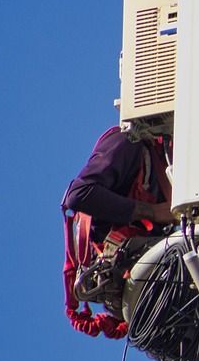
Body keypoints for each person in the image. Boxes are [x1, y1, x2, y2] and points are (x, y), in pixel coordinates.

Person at [62, 126, 175, 336]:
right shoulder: (130, 141)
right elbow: (79, 194)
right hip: (119, 266)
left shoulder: (167, 164)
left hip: (147, 278)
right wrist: (152, 212)